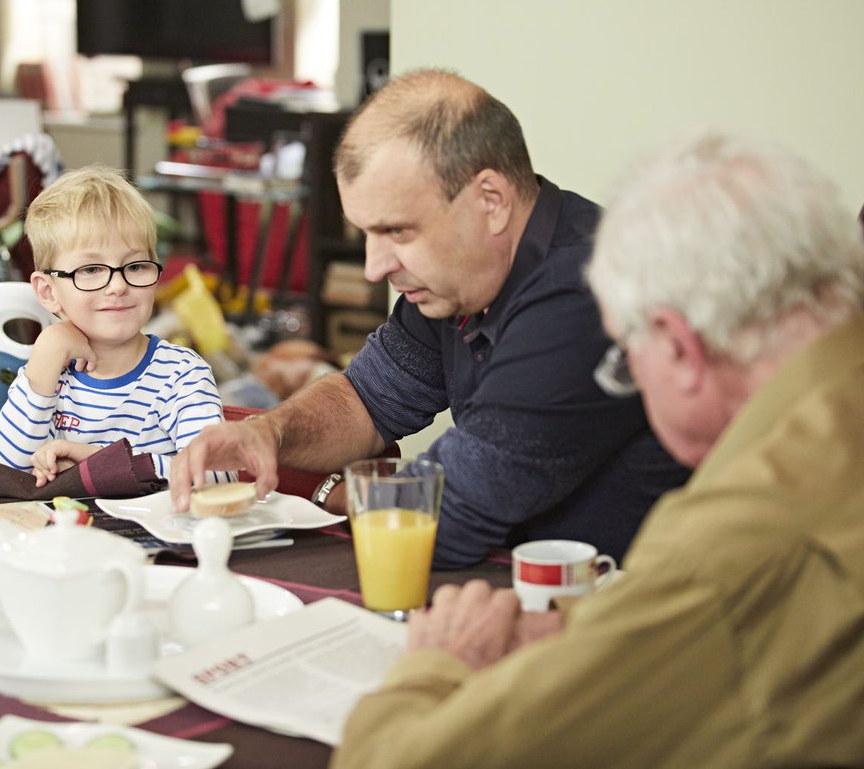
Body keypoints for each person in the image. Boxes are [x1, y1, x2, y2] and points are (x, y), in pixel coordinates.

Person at [331, 131, 864, 768]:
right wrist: (597, 638)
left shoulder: (727, 541)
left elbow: (388, 763)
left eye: (627, 362)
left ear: (679, 349)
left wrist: (438, 665)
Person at [171, 69, 688, 568]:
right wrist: (271, 432)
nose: (375, 268)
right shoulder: (459, 282)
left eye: (398, 232)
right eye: (367, 235)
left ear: (491, 202)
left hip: (633, 610)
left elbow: (443, 521)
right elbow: (365, 401)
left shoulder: (585, 290)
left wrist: (331, 493)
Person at [0, 164, 230, 486]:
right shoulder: (47, 374)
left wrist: (100, 462)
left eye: (136, 265)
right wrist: (45, 356)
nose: (117, 286)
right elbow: (6, 472)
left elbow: (219, 474)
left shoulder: (180, 375)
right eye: (90, 270)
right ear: (48, 292)